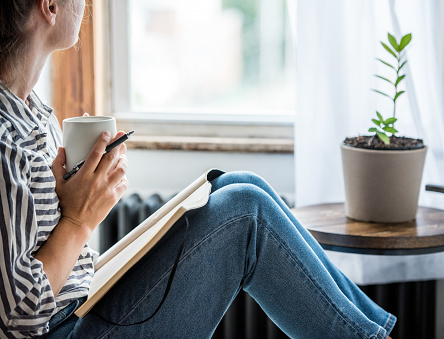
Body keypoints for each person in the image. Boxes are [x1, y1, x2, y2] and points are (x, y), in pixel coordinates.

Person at [0, 0, 396, 338]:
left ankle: (379, 331)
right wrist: (79, 221)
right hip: (62, 329)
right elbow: (18, 314)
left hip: (82, 304)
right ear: (50, 6)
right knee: (246, 210)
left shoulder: (33, 114)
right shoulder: (5, 141)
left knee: (237, 183)